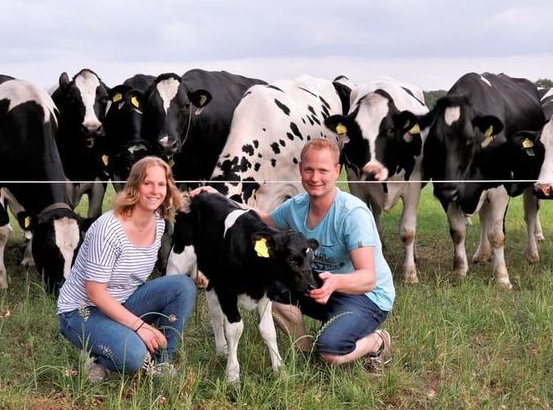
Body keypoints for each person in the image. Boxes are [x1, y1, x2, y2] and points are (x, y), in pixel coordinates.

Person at [193, 137, 394, 371]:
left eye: (323, 170)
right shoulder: (297, 206)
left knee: (331, 350)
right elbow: (263, 220)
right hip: (319, 285)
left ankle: (377, 341)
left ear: (337, 171)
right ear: (300, 169)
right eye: (309, 170)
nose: (315, 178)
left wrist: (335, 282)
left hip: (364, 295)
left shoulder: (352, 214)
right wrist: (219, 199)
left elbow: (368, 278)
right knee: (269, 287)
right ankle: (304, 348)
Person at [57, 156, 197, 381]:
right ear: (133, 187)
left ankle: (161, 363)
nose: (155, 191)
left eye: (161, 184)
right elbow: (95, 292)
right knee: (135, 357)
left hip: (125, 301)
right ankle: (96, 356)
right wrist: (139, 325)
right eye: (147, 183)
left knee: (183, 286)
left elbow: (193, 206)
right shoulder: (109, 229)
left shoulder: (159, 222)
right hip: (83, 310)